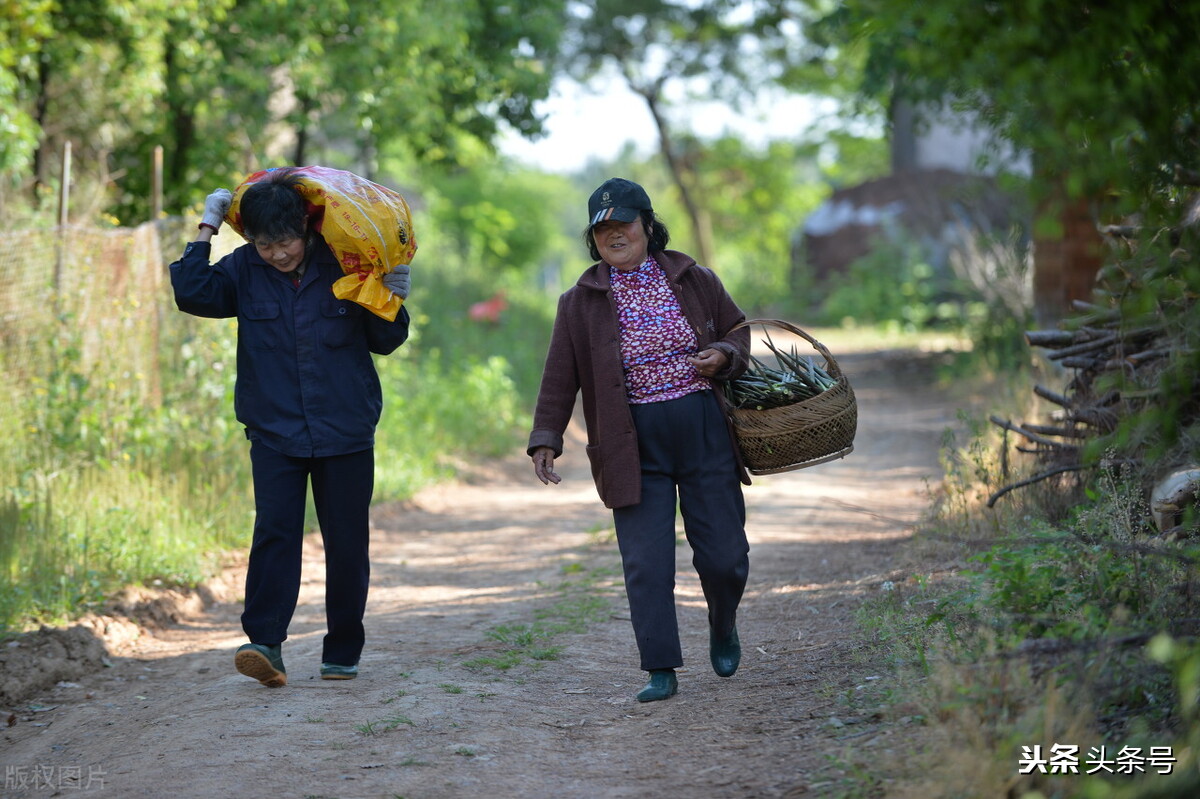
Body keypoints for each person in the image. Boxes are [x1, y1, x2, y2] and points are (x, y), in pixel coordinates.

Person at [170, 168, 412, 687]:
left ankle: (342, 651)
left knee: (346, 542)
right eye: (265, 245)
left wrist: (393, 298)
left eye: (286, 242)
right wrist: (207, 228)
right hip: (274, 430)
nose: (278, 254)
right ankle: (265, 645)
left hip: (345, 428)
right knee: (275, 534)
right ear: (250, 240)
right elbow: (191, 293)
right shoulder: (242, 270)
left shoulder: (348, 264)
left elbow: (386, 341)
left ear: (306, 229)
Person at [527, 177, 752, 703]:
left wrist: (722, 354)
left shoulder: (694, 278)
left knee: (725, 557)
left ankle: (722, 622)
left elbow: (738, 330)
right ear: (593, 238)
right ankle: (660, 668)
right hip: (631, 444)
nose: (614, 234)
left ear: (647, 225)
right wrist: (546, 438)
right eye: (602, 228)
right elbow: (560, 376)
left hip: (702, 432)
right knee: (646, 563)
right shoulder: (578, 302)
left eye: (623, 223)